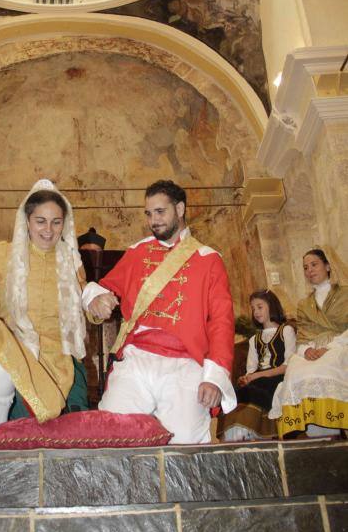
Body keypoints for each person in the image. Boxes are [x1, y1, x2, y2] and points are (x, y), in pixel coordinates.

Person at [82, 179, 237, 444]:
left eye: (160, 212)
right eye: (148, 213)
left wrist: (214, 378)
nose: (153, 220)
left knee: (185, 445)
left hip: (185, 364)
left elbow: (221, 322)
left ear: (180, 209)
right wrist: (95, 298)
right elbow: (104, 288)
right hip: (136, 359)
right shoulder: (137, 252)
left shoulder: (208, 258)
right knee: (110, 436)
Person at [0, 179, 91, 439]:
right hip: (15, 346)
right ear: (26, 221)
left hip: (61, 359)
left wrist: (98, 307)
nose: (48, 230)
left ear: (64, 224)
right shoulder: (4, 253)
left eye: (56, 222)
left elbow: (86, 308)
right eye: (40, 221)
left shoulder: (72, 262)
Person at [269, 248, 348, 438]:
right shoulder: (304, 304)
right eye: (305, 267)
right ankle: (316, 434)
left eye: (314, 265)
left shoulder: (345, 294)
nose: (309, 270)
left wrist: (329, 348)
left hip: (341, 343)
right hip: (312, 347)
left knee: (328, 365)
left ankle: (337, 426)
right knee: (296, 369)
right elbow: (303, 335)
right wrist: (305, 351)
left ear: (328, 266)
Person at [219, 290, 296, 441]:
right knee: (234, 393)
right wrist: (246, 378)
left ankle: (249, 430)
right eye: (253, 308)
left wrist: (256, 376)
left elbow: (288, 365)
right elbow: (251, 370)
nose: (256, 312)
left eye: (260, 307)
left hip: (279, 377)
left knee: (257, 387)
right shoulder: (254, 339)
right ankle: (236, 433)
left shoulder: (286, 330)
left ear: (272, 306)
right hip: (258, 379)